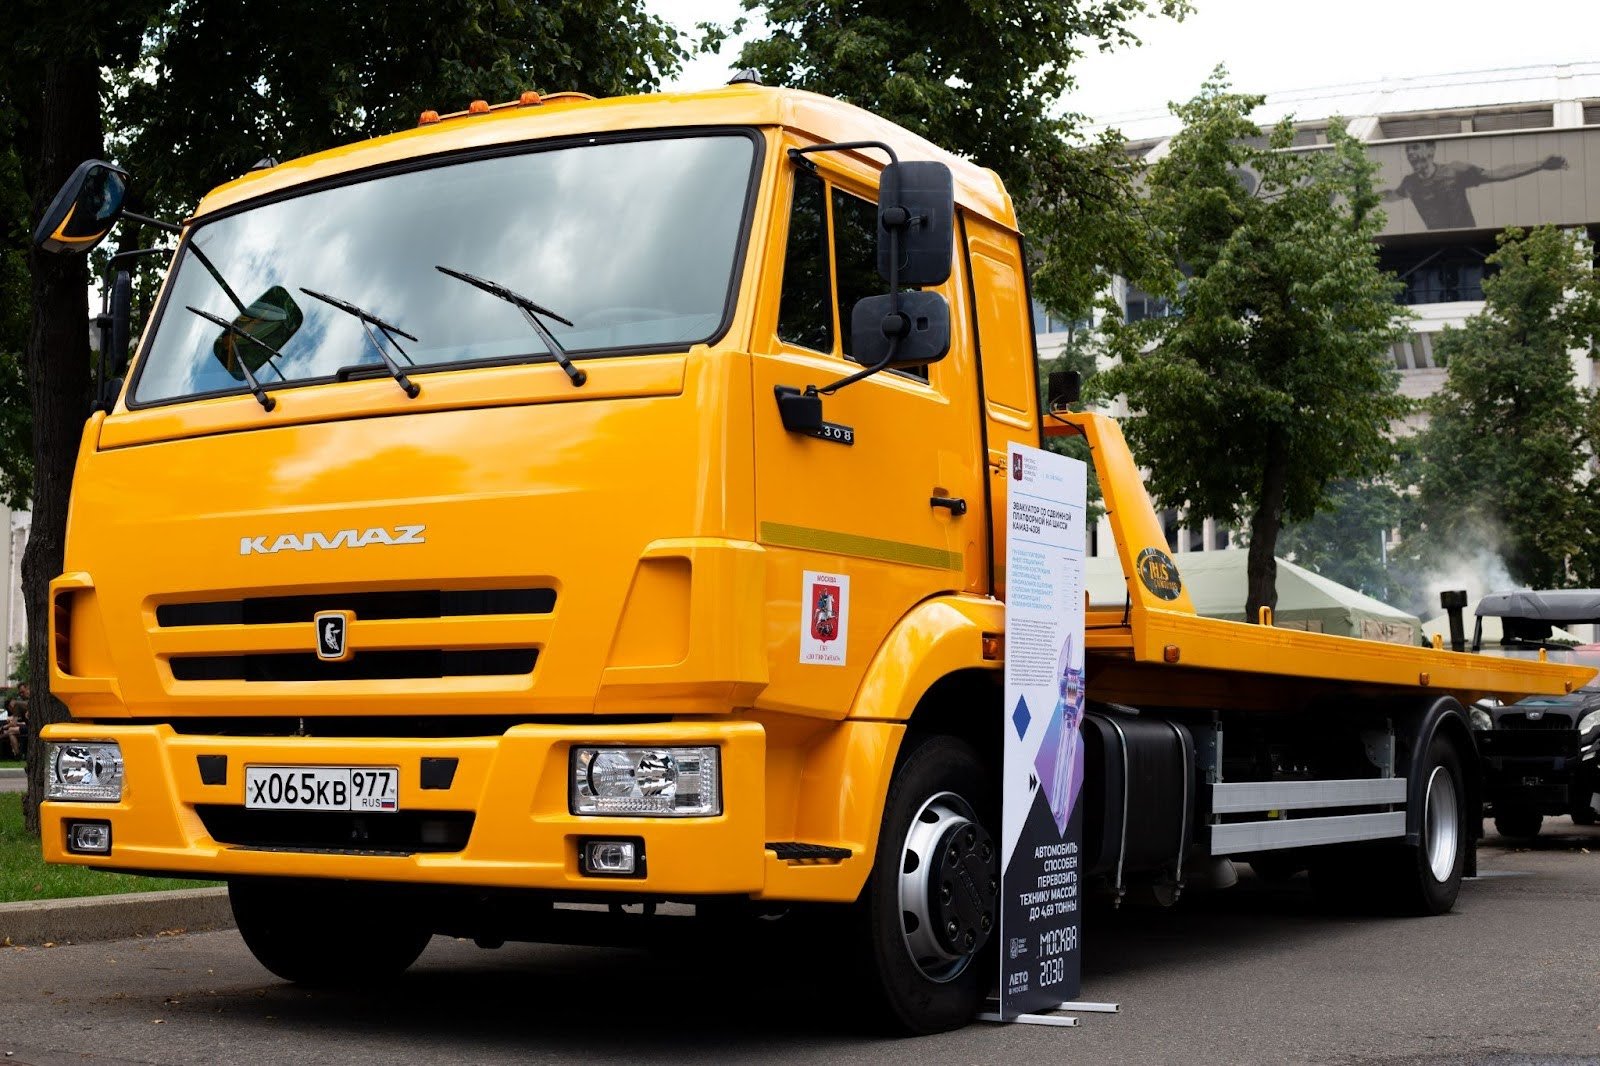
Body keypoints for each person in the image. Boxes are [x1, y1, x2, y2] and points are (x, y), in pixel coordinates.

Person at [1381, 140, 1567, 230]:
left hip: (1465, 236)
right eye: (1407, 150)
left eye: (1415, 147)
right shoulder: (1410, 183)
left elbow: (1497, 174)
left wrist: (1540, 164)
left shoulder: (1455, 170)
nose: (1410, 153)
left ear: (1431, 149)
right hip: (1439, 242)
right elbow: (1391, 196)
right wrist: (1363, 197)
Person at [4, 682, 28, 759]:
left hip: (32, 728)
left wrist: (3, 727)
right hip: (32, 727)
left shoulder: (18, 704)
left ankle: (17, 755)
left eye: (22, 692)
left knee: (10, 731)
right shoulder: (31, 702)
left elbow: (14, 724)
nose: (21, 694)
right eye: (20, 693)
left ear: (28, 689)